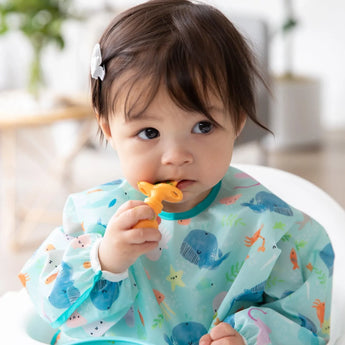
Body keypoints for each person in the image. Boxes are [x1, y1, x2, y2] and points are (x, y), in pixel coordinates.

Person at [20, 1, 334, 344]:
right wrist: (105, 261)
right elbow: (52, 310)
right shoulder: (93, 217)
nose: (176, 156)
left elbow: (304, 318)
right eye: (149, 133)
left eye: (202, 126)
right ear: (109, 130)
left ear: (237, 121)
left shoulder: (272, 226)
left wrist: (250, 337)